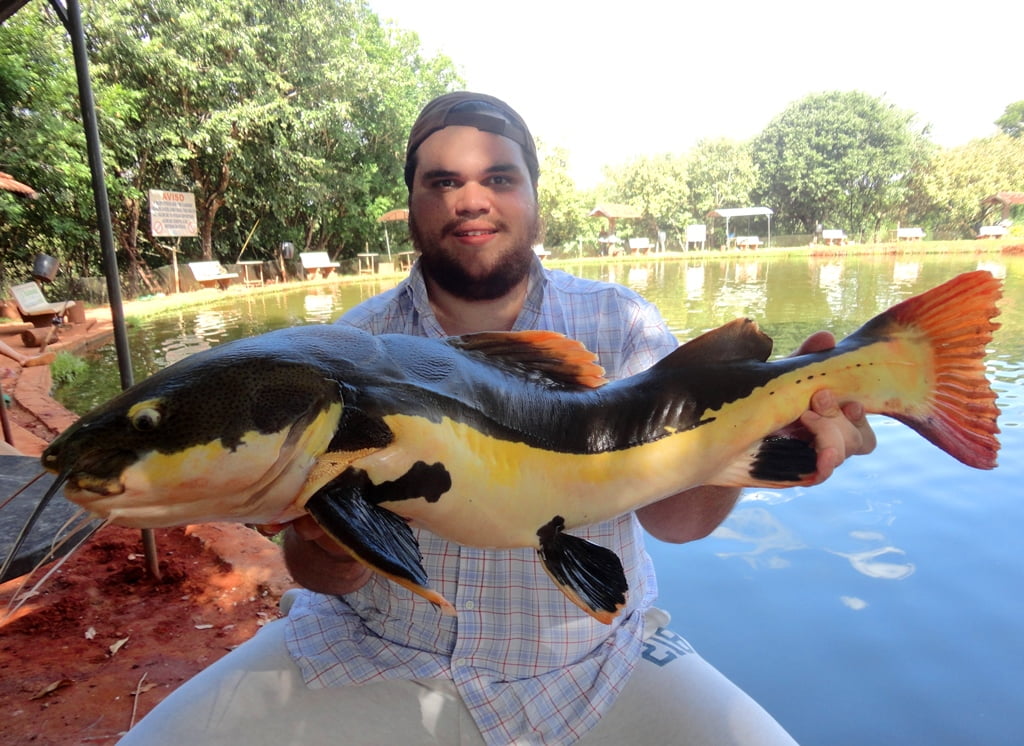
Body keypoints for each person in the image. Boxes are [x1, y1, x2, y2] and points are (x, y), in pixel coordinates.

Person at [119, 92, 875, 745]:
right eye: (442, 181)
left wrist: (761, 437)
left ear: (534, 198)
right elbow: (319, 576)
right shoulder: (346, 344)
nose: (471, 199)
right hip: (374, 653)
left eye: (499, 178)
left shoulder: (621, 321)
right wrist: (332, 545)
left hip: (592, 664)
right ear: (413, 205)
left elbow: (678, 522)